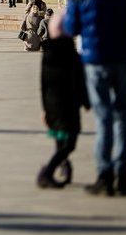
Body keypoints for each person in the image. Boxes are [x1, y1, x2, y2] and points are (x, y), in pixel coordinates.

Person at [57, 0, 126, 196]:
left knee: (103, 118)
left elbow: (72, 27)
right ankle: (122, 174)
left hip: (94, 61)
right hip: (121, 59)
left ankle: (104, 175)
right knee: (123, 116)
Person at [36, 25, 89, 189]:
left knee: (60, 140)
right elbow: (77, 82)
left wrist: (44, 108)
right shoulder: (71, 54)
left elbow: (43, 84)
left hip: (52, 105)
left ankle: (65, 168)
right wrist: (86, 102)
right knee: (70, 143)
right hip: (68, 105)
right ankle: (47, 172)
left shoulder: (48, 53)